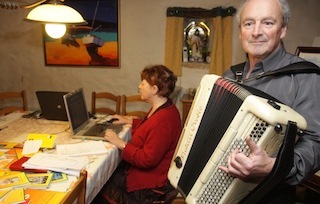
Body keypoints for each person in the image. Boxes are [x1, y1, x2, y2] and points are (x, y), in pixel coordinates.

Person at [219, 0, 320, 203]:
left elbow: (316, 143)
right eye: (249, 23)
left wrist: (273, 167)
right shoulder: (230, 74)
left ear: (282, 30)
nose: (256, 31)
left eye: (267, 23)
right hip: (220, 188)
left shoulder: (305, 76)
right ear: (240, 32)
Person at [92, 65, 182, 204]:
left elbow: (147, 159)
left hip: (150, 184)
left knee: (98, 186)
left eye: (143, 83)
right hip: (150, 174)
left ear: (154, 89)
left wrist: (120, 143)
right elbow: (149, 127)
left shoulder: (163, 120)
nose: (139, 86)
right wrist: (128, 120)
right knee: (105, 174)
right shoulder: (164, 107)